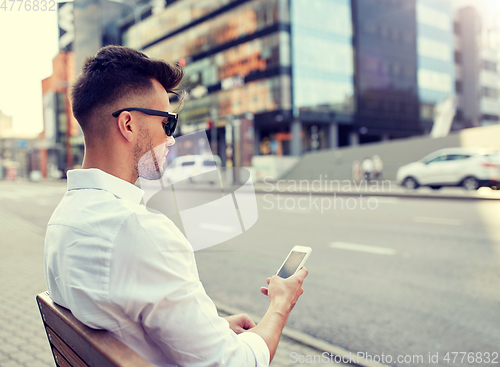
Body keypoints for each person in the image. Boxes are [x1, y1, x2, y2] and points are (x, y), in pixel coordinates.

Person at [44, 46, 308, 367]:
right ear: (127, 124)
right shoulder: (140, 231)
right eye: (168, 123)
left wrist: (213, 329)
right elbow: (231, 364)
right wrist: (281, 303)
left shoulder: (64, 218)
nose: (172, 139)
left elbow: (119, 321)